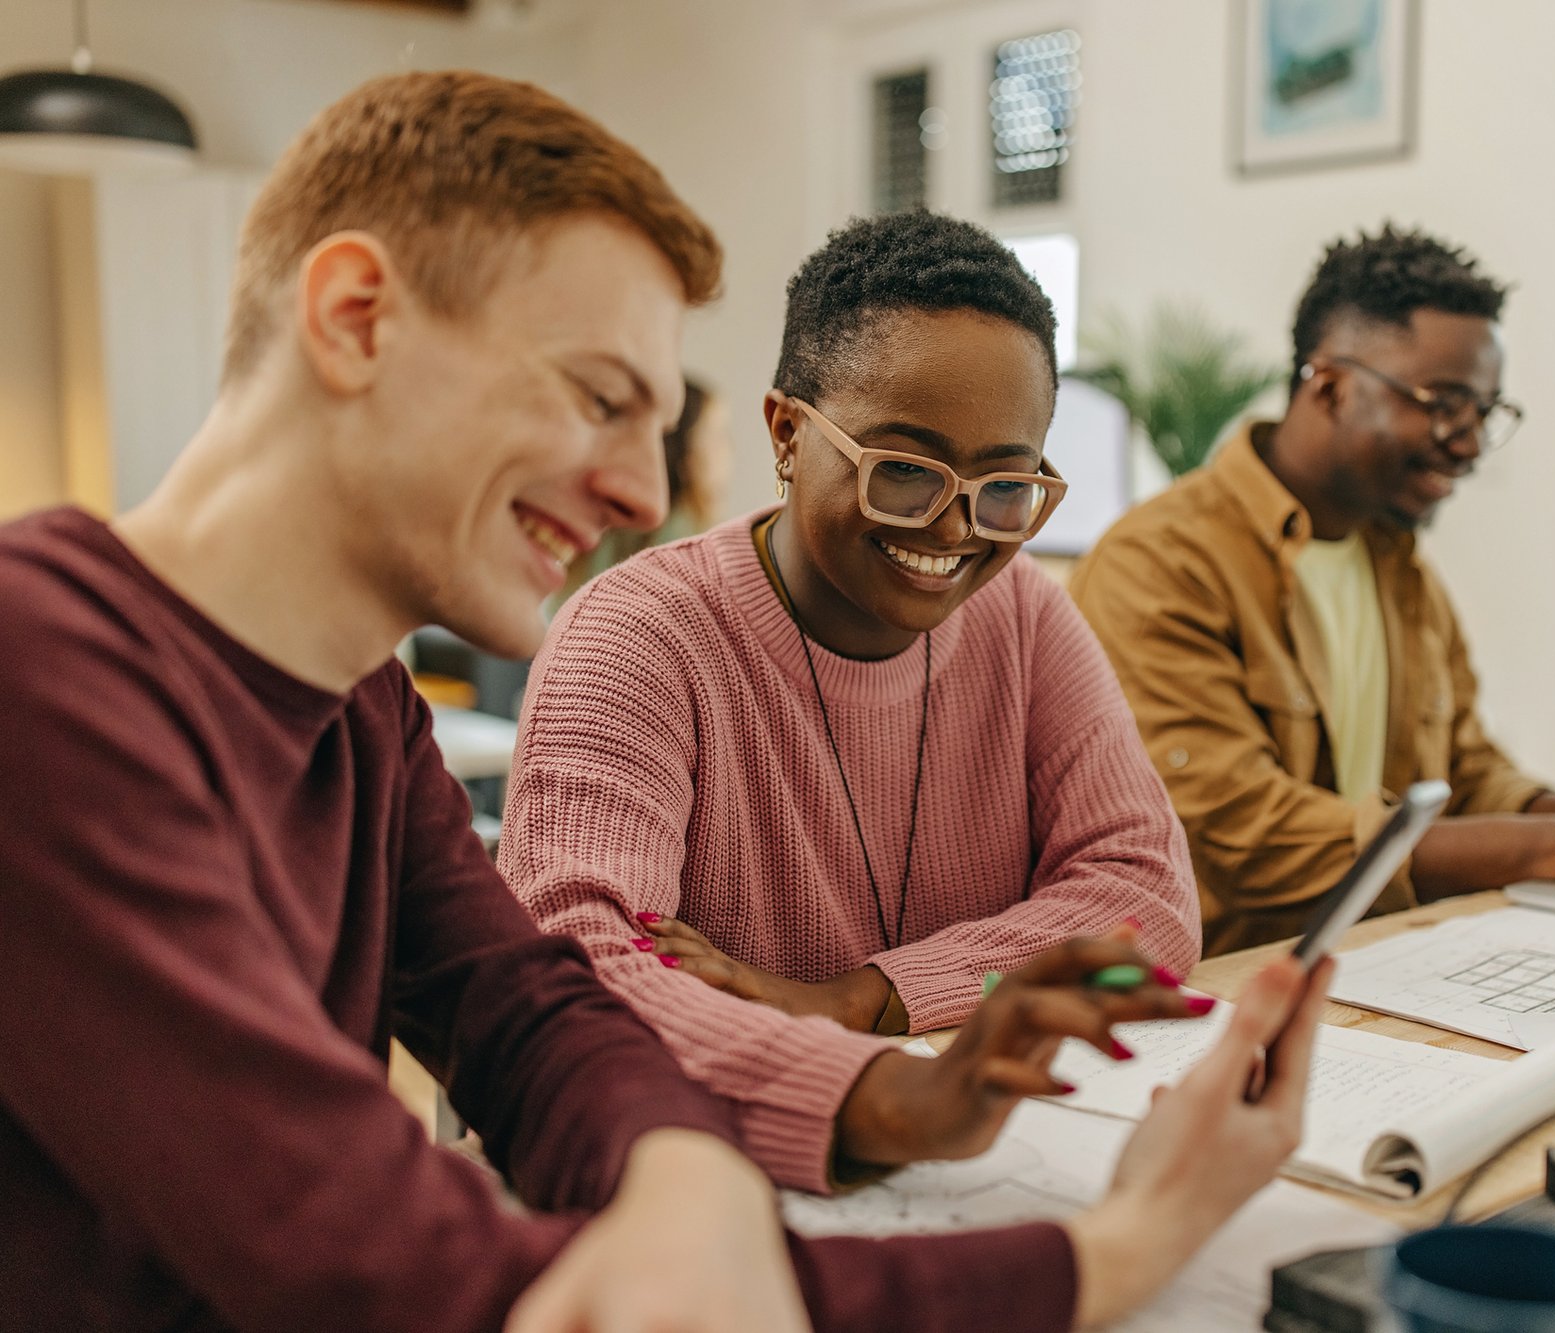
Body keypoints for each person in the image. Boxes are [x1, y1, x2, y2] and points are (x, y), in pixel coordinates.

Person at [0, 70, 1329, 1332]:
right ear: (357, 317)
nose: (644, 494)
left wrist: (782, 1129)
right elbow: (407, 1272)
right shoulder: (37, 674)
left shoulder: (363, 712)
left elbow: (535, 1018)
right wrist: (1107, 1256)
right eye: (598, 398)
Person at [500, 210, 1204, 1194]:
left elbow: (1145, 898)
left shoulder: (1026, 616)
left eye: (1004, 484)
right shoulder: (638, 635)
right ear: (787, 433)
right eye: (903, 472)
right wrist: (884, 1087)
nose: (954, 527)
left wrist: (844, 1001)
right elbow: (576, 965)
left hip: (983, 1158)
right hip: (708, 1176)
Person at [1070, 224, 1555, 956]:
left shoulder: (1398, 566)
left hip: (1384, 961)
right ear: (1330, 386)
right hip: (1222, 993)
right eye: (1443, 404)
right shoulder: (1160, 563)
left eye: (1485, 413)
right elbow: (1255, 839)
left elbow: (1467, 778)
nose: (1468, 443)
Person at [556, 376, 730, 602]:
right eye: (718, 437)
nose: (728, 452)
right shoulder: (686, 549)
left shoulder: (611, 531)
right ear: (687, 452)